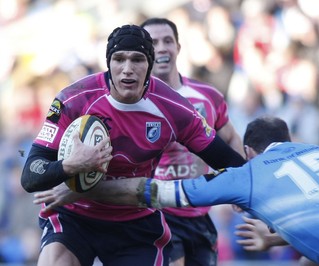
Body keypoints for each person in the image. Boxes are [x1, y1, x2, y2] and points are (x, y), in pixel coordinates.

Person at [34, 115, 319, 265]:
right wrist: (278, 239)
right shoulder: (317, 152)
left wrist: (83, 188)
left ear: (248, 153)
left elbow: (152, 191)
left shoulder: (248, 173)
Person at [20, 24, 246, 266]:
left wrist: (254, 189)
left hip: (135, 218)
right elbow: (30, 175)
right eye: (119, 59)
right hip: (75, 215)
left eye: (137, 60)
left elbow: (229, 162)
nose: (127, 70)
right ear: (109, 63)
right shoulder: (75, 99)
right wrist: (70, 165)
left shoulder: (174, 108)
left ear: (149, 65)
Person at [140, 17, 245, 266]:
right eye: (153, 43)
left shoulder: (207, 96)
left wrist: (240, 186)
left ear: (178, 47)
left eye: (168, 41)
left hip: (200, 209)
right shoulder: (136, 103)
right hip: (159, 211)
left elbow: (230, 136)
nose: (162, 48)